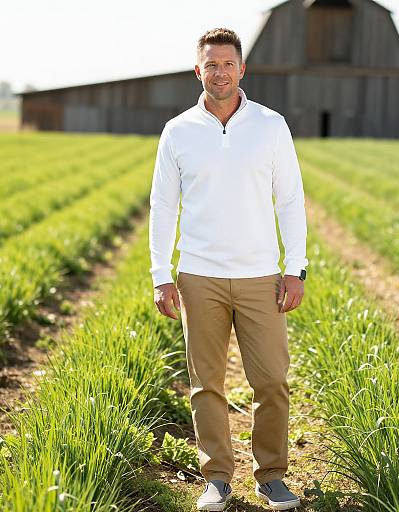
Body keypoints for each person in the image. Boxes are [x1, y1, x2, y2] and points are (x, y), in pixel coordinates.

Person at [148, 27, 308, 511]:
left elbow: (290, 200)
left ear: (242, 69)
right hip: (199, 277)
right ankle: (217, 478)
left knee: (272, 381)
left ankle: (272, 476)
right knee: (206, 384)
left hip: (262, 275)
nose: (219, 72)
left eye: (227, 63)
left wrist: (295, 268)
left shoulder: (271, 125)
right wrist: (161, 273)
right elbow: (162, 205)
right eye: (210, 64)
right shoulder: (178, 131)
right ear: (198, 71)